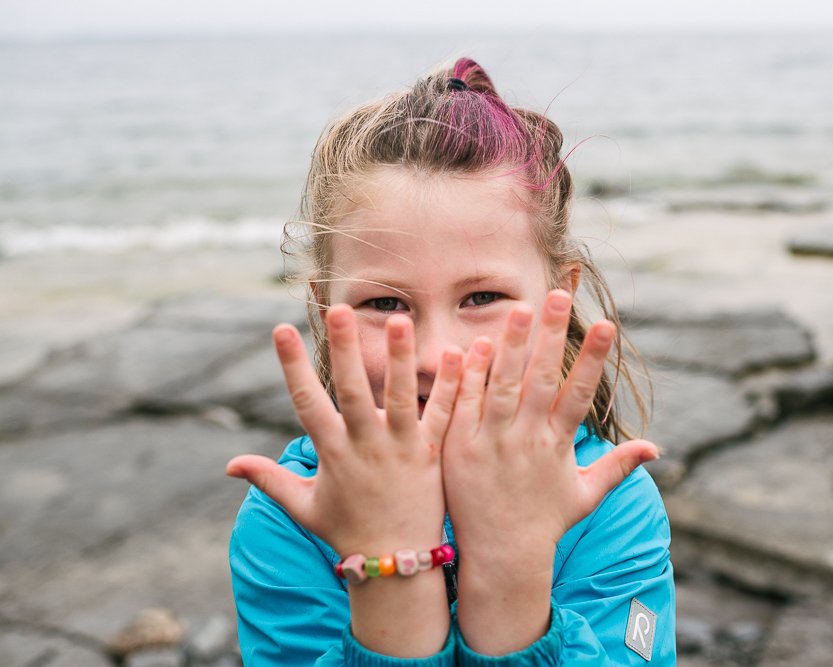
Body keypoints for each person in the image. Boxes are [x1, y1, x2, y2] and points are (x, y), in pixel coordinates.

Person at [226, 57, 676, 666]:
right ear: (322, 307)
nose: (437, 357)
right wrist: (388, 564)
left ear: (557, 297)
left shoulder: (607, 504)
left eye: (482, 297)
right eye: (384, 302)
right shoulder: (292, 520)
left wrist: (511, 561)